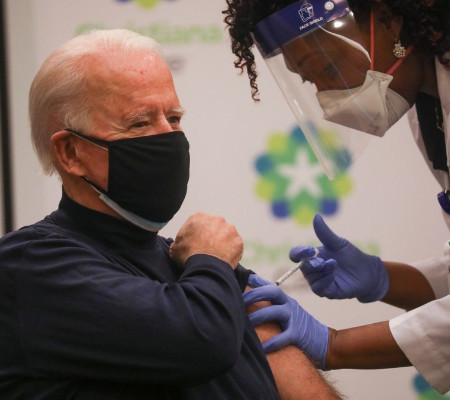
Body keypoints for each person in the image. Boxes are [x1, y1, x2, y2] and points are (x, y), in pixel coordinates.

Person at [0, 28, 342, 399]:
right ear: (70, 152)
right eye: (140, 122)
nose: (170, 137)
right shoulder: (30, 266)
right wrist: (213, 261)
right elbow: (203, 341)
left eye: (174, 118)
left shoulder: (190, 263)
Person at [223, 0, 450, 395]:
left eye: (327, 68)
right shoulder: (430, 110)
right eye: (311, 82)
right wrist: (382, 279)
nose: (328, 102)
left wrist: (335, 345)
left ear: (390, 21)